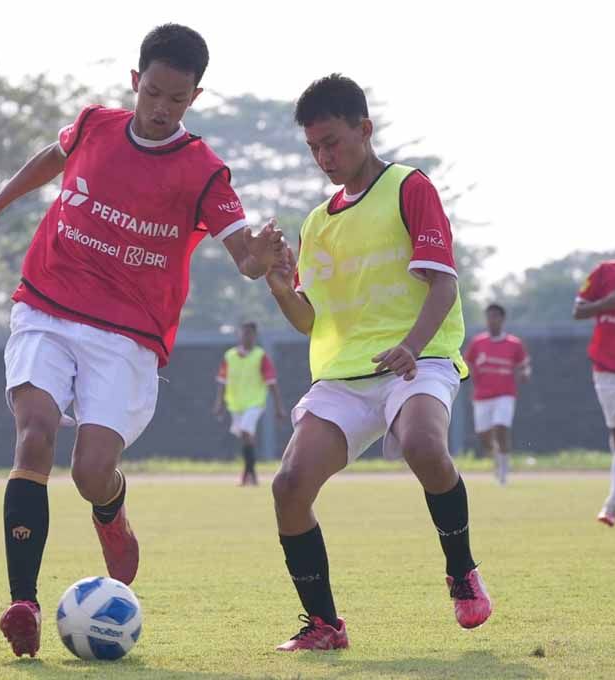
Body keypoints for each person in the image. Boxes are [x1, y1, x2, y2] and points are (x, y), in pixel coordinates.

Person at [0, 23, 285, 658]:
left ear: (195, 98)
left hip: (127, 336)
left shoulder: (205, 171)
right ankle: (23, 601)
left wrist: (264, 256)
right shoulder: (95, 124)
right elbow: (55, 156)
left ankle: (111, 509)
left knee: (90, 471)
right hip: (46, 304)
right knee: (35, 434)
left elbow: (242, 253)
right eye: (153, 93)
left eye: (177, 100)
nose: (162, 110)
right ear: (136, 82)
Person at [263, 73, 492, 652]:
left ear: (364, 130)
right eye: (313, 146)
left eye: (333, 142)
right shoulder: (316, 222)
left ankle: (461, 568)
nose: (323, 157)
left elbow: (442, 287)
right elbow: (311, 319)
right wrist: (276, 281)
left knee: (422, 446)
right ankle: (324, 625)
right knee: (289, 486)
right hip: (346, 377)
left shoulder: (409, 188)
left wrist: (411, 346)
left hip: (420, 360)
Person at [574, 215, 615, 527]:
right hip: (606, 369)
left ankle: (611, 506)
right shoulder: (605, 272)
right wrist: (607, 304)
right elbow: (578, 311)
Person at [463, 303, 531, 485]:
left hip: (505, 394)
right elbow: (467, 363)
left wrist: (525, 373)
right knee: (484, 436)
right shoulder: (478, 343)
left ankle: (503, 473)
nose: (491, 320)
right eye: (488, 316)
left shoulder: (514, 344)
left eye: (495, 316)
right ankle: (496, 459)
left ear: (502, 319)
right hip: (481, 396)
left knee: (501, 428)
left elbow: (524, 364)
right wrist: (470, 375)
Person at [213, 321, 286, 486]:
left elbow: (272, 382)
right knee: (246, 437)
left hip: (255, 403)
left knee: (246, 432)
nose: (247, 336)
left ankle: (250, 475)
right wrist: (219, 403)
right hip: (236, 405)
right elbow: (222, 381)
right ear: (239, 335)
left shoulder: (261, 356)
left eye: (251, 334)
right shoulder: (229, 356)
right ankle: (248, 474)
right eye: (244, 333)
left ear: (255, 336)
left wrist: (279, 407)